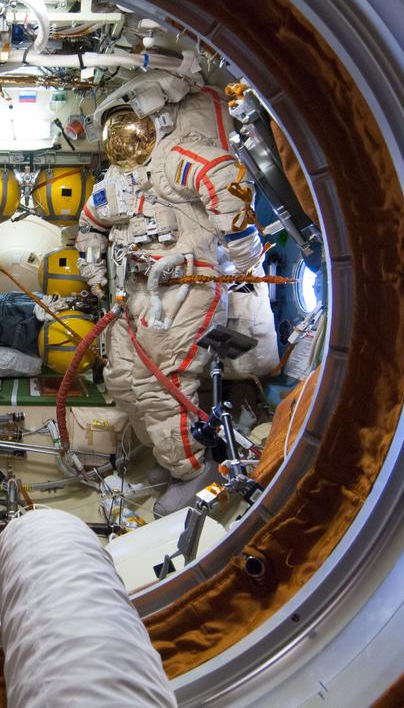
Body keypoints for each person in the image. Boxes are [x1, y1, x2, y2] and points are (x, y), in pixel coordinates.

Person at [76, 71, 279, 516]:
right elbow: (90, 221)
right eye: (115, 131)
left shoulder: (174, 158)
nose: (124, 139)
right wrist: (92, 266)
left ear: (154, 121)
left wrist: (243, 250)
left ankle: (192, 471)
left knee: (161, 386)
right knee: (122, 382)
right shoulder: (119, 179)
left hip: (184, 286)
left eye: (130, 126)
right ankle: (169, 457)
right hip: (135, 293)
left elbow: (221, 176)